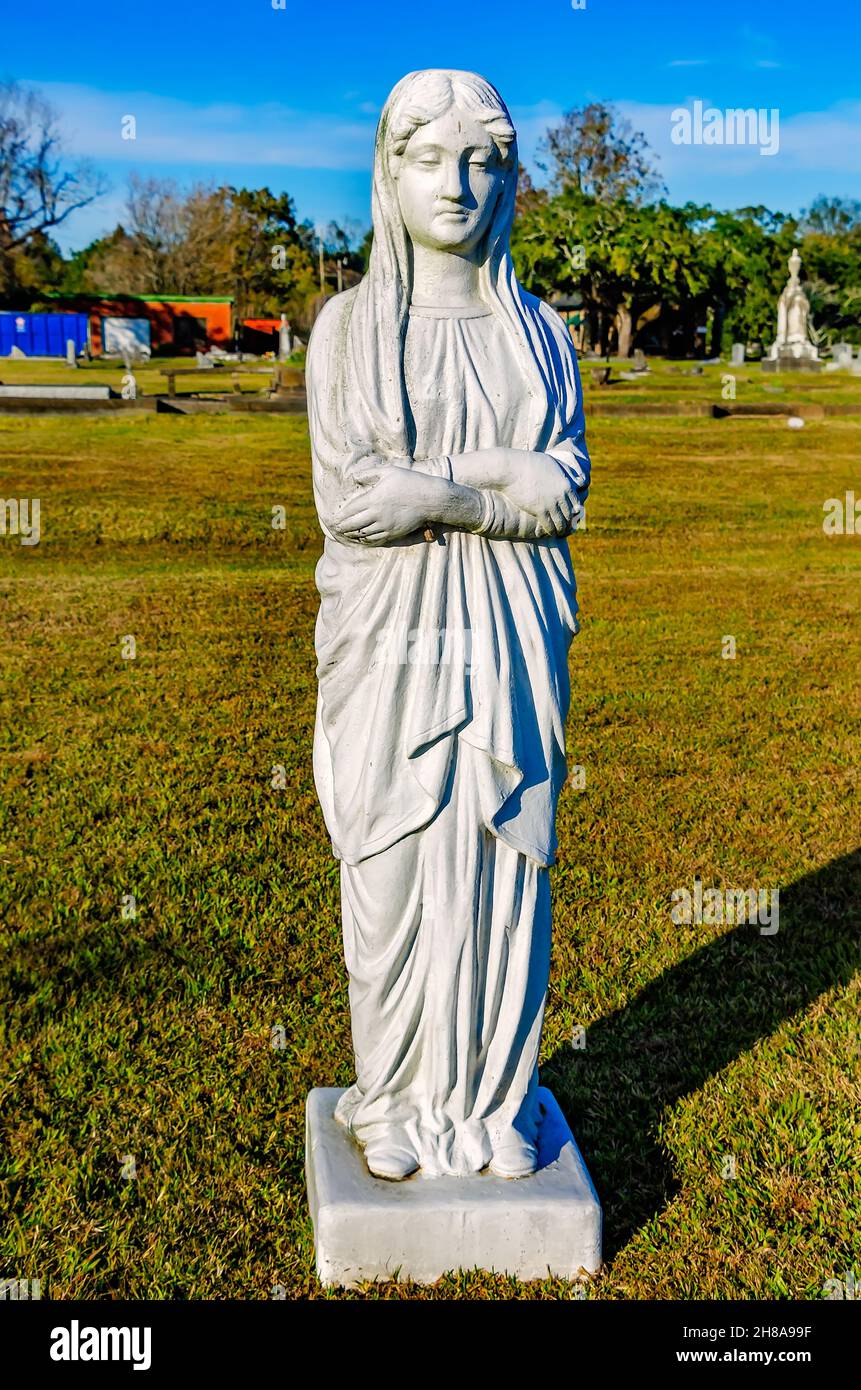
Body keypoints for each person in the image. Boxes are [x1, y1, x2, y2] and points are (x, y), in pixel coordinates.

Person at [307, 69, 590, 1180]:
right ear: (391, 171)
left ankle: (485, 1102)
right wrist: (492, 486)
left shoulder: (540, 337)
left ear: (508, 177)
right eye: (431, 158)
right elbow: (355, 503)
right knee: (392, 855)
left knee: (501, 850)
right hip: (392, 650)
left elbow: (559, 492)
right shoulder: (351, 330)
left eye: (481, 161)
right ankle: (391, 1097)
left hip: (510, 647)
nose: (458, 184)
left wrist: (448, 491)